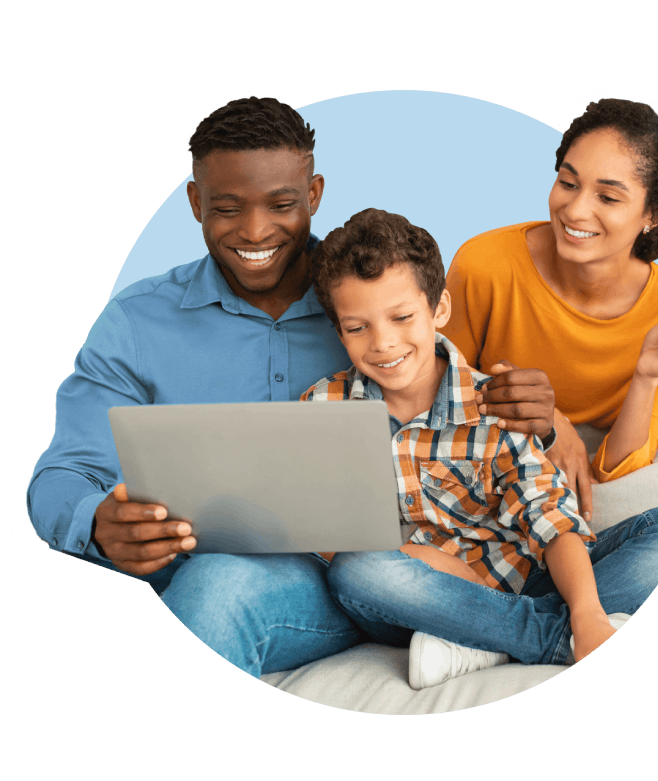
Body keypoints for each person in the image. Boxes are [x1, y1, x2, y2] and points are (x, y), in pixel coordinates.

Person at [24, 94, 556, 680]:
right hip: (248, 582)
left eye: (282, 204)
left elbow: (474, 405)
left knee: (223, 582)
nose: (256, 231)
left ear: (314, 195)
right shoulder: (137, 322)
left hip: (397, 569)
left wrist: (547, 422)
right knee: (216, 579)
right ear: (196, 201)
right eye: (227, 207)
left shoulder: (375, 305)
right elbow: (61, 474)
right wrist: (95, 521)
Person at [311, 208, 658, 689]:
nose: (384, 342)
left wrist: (589, 612)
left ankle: (483, 644)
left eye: (402, 317)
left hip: (523, 579)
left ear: (440, 310)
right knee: (360, 569)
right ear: (339, 330)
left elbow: (548, 514)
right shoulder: (324, 406)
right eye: (356, 327)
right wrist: (420, 558)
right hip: (412, 593)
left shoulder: (497, 400)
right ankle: (550, 638)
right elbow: (319, 528)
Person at [441, 97, 658, 523]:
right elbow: (434, 397)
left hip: (599, 478)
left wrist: (645, 377)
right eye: (568, 183)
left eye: (607, 196)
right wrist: (549, 422)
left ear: (652, 215)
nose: (575, 209)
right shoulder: (485, 263)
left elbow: (621, 472)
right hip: (497, 449)